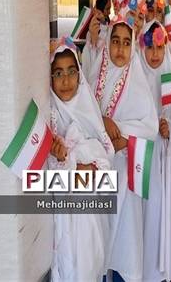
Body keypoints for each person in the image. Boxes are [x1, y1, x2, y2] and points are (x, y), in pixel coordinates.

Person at [86, 17, 159, 282]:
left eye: (126, 43)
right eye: (115, 41)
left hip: (125, 170)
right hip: (99, 172)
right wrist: (102, 122)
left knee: (125, 239)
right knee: (99, 236)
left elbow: (149, 126)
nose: (120, 48)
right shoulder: (94, 77)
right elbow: (83, 115)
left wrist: (121, 132)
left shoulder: (137, 81)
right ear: (107, 43)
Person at [48, 38, 115, 282]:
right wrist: (66, 163)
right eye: (58, 73)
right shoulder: (49, 114)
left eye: (71, 72)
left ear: (79, 75)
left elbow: (105, 163)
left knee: (87, 264)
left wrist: (79, 165)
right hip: (58, 216)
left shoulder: (88, 112)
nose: (65, 80)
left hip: (89, 216)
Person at [139, 21, 171, 281]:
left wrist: (168, 129)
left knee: (161, 214)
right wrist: (149, 127)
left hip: (163, 164)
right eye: (150, 48)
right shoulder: (135, 81)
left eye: (160, 48)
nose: (155, 54)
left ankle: (162, 268)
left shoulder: (170, 78)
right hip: (142, 162)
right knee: (143, 218)